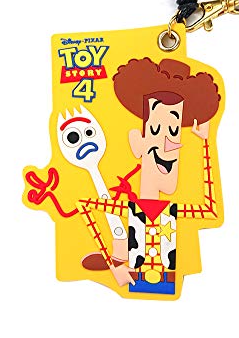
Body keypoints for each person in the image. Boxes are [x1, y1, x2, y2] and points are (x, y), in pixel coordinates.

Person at [76, 57, 221, 295]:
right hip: (136, 284)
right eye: (155, 130)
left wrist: (205, 142)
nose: (169, 145)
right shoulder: (133, 211)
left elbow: (211, 209)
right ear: (138, 143)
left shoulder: (169, 211)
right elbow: (84, 205)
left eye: (174, 131)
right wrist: (115, 267)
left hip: (165, 286)